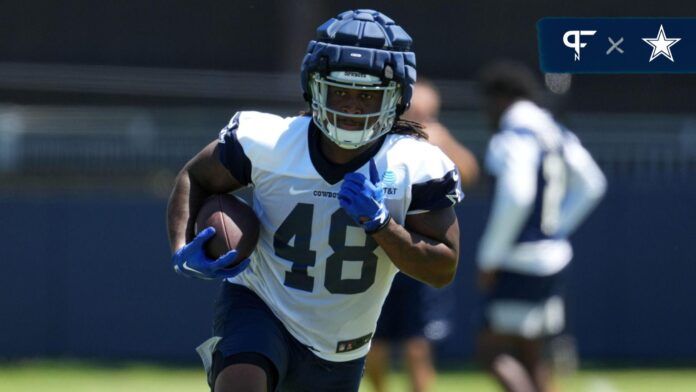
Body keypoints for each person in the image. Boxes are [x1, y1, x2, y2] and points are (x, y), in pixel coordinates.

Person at [166, 9, 464, 392]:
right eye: (340, 90)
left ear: (397, 98)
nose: (352, 107)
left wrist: (382, 226)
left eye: (367, 95)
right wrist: (181, 247)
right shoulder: (268, 143)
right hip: (260, 302)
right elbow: (194, 176)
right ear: (314, 85)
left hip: (342, 341)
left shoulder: (416, 165)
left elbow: (442, 269)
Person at [475, 61, 607, 392]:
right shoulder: (552, 129)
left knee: (491, 353)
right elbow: (592, 182)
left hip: (520, 259)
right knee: (533, 356)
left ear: (501, 98)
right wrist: (556, 228)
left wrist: (490, 257)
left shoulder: (514, 133)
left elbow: (518, 196)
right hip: (553, 256)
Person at [365, 79, 479, 392]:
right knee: (375, 341)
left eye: (429, 112)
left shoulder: (436, 143)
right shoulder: (382, 141)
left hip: (421, 249)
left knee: (419, 343)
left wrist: (442, 143)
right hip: (380, 251)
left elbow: (470, 173)